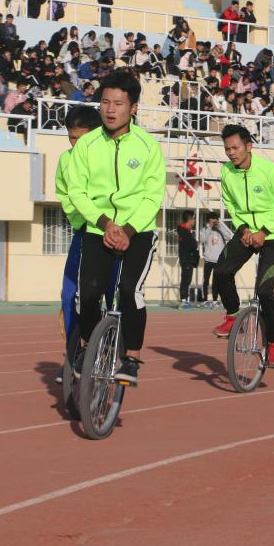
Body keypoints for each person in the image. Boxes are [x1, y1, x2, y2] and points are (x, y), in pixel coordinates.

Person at [67, 70, 165, 385]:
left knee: (129, 290)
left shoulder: (148, 147)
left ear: (133, 108)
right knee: (87, 294)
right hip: (99, 229)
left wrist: (128, 230)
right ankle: (87, 347)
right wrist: (105, 223)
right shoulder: (86, 145)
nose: (110, 110)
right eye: (105, 102)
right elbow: (77, 192)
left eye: (118, 103)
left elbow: (153, 196)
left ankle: (132, 357)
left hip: (138, 231)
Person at [211, 125, 274, 368]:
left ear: (248, 146)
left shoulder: (269, 171)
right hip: (246, 232)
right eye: (227, 149)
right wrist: (244, 229)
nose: (231, 153)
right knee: (221, 270)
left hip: (272, 235)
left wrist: (263, 232)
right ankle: (232, 315)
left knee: (264, 291)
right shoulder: (226, 171)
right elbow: (231, 204)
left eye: (235, 148)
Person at [54, 105, 115, 384]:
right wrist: (83, 220)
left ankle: (112, 347)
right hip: (84, 232)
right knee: (70, 296)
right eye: (71, 137)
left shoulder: (108, 155)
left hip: (114, 233)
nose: (76, 144)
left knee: (113, 293)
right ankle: (74, 354)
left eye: (82, 138)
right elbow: (65, 194)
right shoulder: (65, 161)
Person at [199, 211, 233, 308]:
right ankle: (205, 300)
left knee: (216, 282)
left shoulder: (220, 229)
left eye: (215, 220)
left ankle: (215, 300)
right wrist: (209, 227)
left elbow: (229, 236)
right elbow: (202, 239)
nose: (214, 222)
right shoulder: (205, 230)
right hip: (208, 260)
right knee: (206, 281)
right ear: (208, 221)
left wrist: (220, 226)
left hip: (219, 260)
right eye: (212, 220)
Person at [177, 210, 199, 310]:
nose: (194, 221)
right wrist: (195, 244)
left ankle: (184, 300)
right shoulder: (184, 231)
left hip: (188, 259)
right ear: (189, 219)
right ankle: (183, 301)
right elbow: (193, 245)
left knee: (187, 279)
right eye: (194, 219)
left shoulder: (185, 231)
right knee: (186, 280)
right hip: (186, 259)